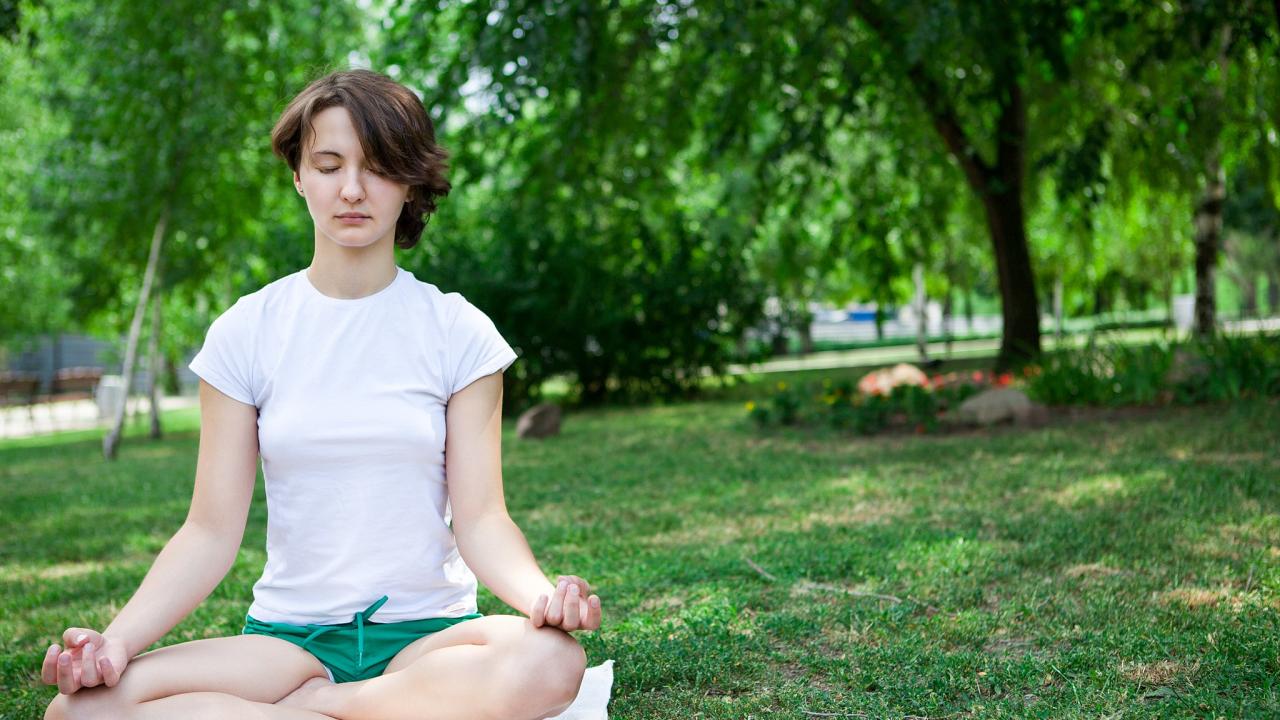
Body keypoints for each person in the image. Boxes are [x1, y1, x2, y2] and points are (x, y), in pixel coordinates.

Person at [42, 68, 601, 720]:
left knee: (552, 660)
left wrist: (542, 597)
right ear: (299, 176)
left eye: (379, 167)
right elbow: (209, 532)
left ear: (411, 182)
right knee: (80, 712)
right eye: (330, 165)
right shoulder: (246, 332)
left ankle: (327, 708)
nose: (353, 190)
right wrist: (116, 643)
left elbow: (482, 519)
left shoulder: (459, 332)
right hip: (287, 643)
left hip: (426, 639)